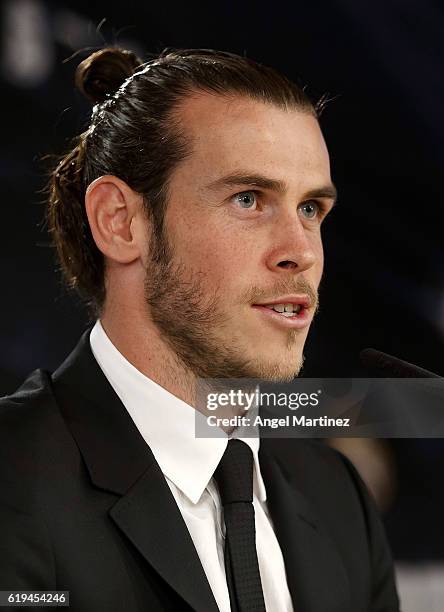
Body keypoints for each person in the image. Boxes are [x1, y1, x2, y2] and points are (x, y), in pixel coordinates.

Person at [0, 47, 400, 611]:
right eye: (248, 199)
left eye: (311, 209)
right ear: (121, 222)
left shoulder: (337, 498)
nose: (301, 253)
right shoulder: (12, 483)